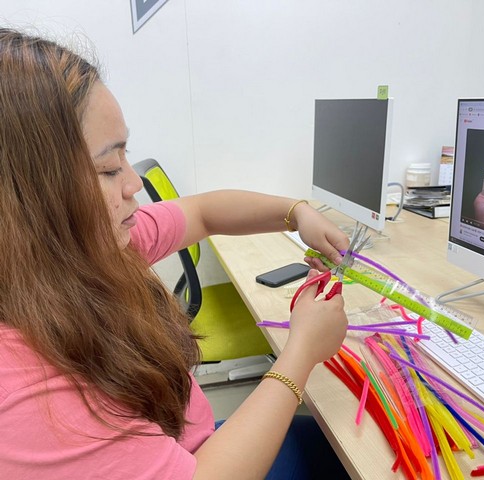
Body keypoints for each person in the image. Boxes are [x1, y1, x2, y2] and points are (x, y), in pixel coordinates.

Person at [0, 28, 352, 479]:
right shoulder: (27, 392)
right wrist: (301, 350)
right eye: (107, 169)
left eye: (125, 158)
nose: (133, 184)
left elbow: (203, 212)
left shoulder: (87, 250)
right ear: (27, 198)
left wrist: (295, 212)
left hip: (187, 446)